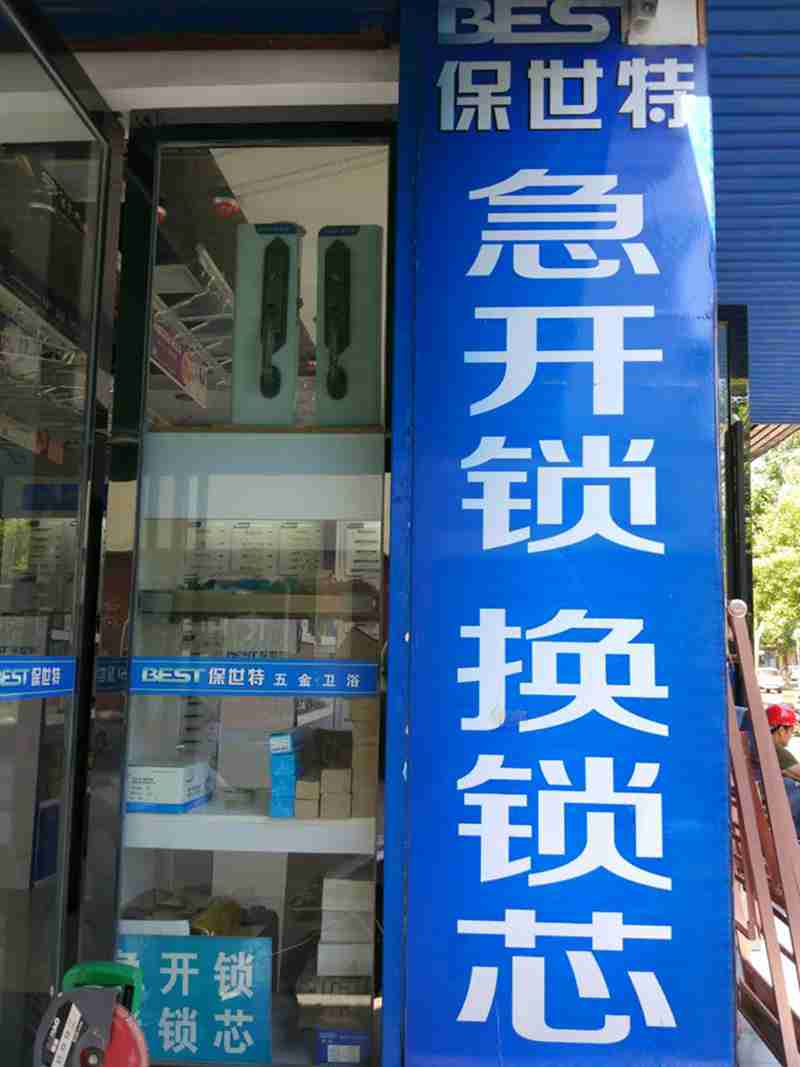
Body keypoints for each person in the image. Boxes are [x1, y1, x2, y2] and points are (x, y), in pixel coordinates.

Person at [767, 703, 800, 832]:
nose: (791, 734)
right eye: (791, 730)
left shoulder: (759, 744)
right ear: (781, 730)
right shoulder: (776, 750)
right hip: (774, 811)